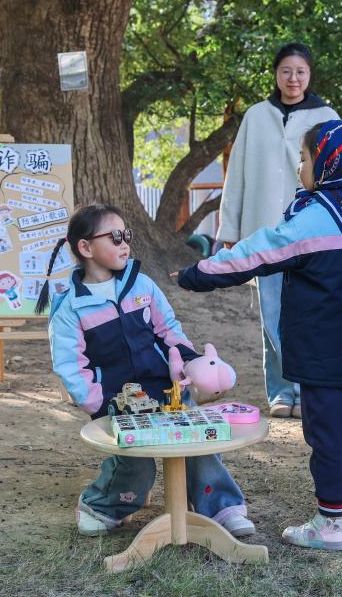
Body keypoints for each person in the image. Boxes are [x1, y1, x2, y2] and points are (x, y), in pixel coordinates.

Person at [177, 121, 342, 551]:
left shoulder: (314, 218)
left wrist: (196, 274)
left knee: (328, 435)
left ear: (330, 163)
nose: (300, 167)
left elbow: (255, 254)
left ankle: (330, 523)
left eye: (304, 158)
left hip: (322, 353)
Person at [39, 204, 254, 538]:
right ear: (86, 247)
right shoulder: (70, 308)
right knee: (135, 465)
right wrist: (99, 405)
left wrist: (190, 362)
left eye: (127, 235)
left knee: (201, 444)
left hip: (168, 391)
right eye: (114, 237)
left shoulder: (142, 286)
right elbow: (70, 365)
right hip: (118, 402)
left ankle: (222, 507)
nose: (125, 243)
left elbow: (168, 330)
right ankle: (101, 505)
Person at [216, 43, 340, 418]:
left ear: (310, 75)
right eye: (286, 71)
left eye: (300, 72)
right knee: (271, 314)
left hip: (312, 232)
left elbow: (339, 172)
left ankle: (307, 388)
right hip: (263, 230)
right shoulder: (256, 116)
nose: (293, 79)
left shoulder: (327, 116)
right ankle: (282, 390)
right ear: (275, 74)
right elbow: (236, 174)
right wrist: (230, 228)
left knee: (309, 314)